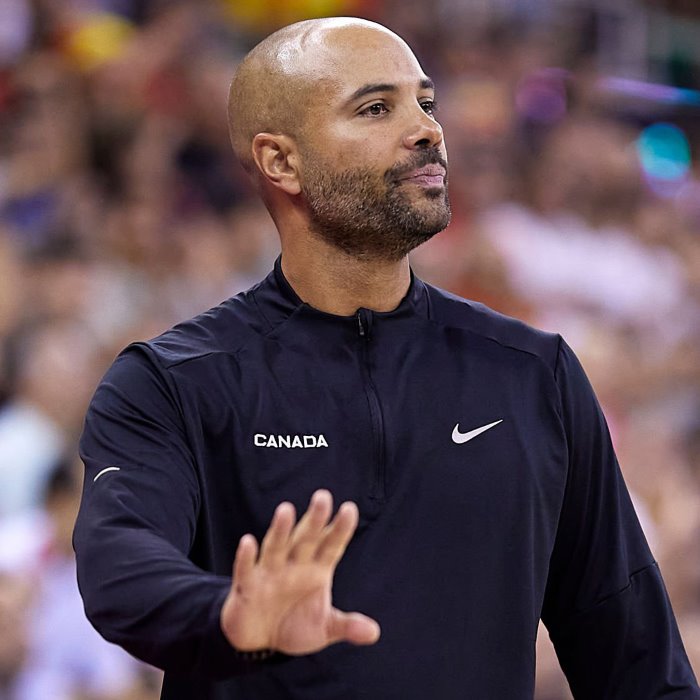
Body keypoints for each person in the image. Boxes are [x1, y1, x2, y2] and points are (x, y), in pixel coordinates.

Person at [73, 16, 700, 700]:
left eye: (426, 103)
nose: (428, 129)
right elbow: (120, 565)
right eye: (376, 108)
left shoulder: (533, 375)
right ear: (281, 161)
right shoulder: (173, 381)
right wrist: (227, 615)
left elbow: (637, 661)